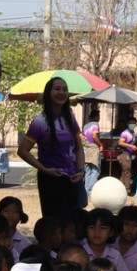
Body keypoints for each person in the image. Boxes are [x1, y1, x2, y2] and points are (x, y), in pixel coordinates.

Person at [19, 76, 85, 223]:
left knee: (71, 224)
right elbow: (23, 150)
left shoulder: (70, 118)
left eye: (64, 89)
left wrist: (80, 171)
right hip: (51, 180)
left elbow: (79, 148)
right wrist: (44, 169)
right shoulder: (39, 122)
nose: (61, 92)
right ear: (48, 92)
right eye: (57, 89)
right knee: (54, 224)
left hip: (72, 179)